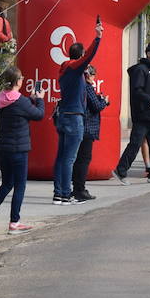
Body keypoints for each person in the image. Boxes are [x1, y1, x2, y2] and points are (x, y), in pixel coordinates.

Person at [0, 66, 44, 235]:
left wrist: (30, 100)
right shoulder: (21, 101)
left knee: (6, 184)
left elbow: (18, 110)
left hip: (3, 147)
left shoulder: (0, 99)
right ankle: (14, 222)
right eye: (22, 78)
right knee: (20, 185)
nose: (23, 80)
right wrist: (39, 99)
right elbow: (38, 115)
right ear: (17, 82)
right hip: (19, 149)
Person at [53, 21, 103, 204]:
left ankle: (58, 192)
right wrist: (97, 37)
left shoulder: (65, 69)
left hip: (64, 116)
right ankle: (66, 194)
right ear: (80, 56)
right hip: (74, 118)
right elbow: (89, 55)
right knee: (69, 158)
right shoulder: (75, 68)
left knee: (61, 157)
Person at [115, 41, 150, 183]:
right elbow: (137, 91)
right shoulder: (140, 69)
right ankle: (120, 171)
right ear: (149, 54)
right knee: (135, 144)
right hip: (142, 115)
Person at [72, 66, 108, 201]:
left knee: (77, 159)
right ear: (89, 75)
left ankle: (76, 188)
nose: (94, 78)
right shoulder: (87, 87)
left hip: (80, 126)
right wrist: (104, 101)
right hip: (87, 128)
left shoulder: (79, 86)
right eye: (93, 75)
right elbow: (96, 106)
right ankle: (79, 189)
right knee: (83, 160)